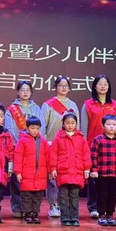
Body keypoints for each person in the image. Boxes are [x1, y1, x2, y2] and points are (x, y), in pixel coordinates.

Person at [81, 75, 116, 220]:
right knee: (94, 178)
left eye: (105, 84)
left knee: (108, 181)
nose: (103, 86)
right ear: (94, 86)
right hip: (93, 146)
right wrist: (84, 146)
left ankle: (106, 209)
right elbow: (84, 127)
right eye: (100, 84)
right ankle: (93, 207)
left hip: (111, 148)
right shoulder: (88, 104)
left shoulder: (115, 105)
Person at [4, 80, 44, 218]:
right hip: (18, 147)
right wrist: (20, 143)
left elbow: (41, 127)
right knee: (17, 178)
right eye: (22, 90)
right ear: (17, 92)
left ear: (31, 92)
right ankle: (17, 207)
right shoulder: (11, 109)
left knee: (32, 178)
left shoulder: (36, 108)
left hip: (34, 148)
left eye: (28, 90)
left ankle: (31, 209)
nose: (25, 92)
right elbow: (10, 129)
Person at [41, 76, 79, 219]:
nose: (63, 88)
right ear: (55, 87)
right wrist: (45, 142)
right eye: (60, 85)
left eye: (66, 85)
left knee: (66, 176)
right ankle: (53, 204)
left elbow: (77, 127)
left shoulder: (73, 105)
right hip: (52, 144)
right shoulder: (48, 105)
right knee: (52, 176)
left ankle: (66, 205)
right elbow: (43, 126)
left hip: (69, 145)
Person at [49, 112, 90, 227]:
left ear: (76, 124)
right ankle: (65, 218)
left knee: (74, 197)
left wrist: (87, 168)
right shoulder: (58, 138)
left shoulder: (81, 138)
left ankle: (74, 218)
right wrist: (53, 168)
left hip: (77, 172)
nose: (70, 125)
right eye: (67, 123)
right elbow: (53, 154)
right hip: (63, 172)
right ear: (63, 124)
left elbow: (86, 154)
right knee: (63, 197)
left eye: (72, 123)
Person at [90, 115, 116, 227]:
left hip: (115, 173)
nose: (111, 127)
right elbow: (93, 156)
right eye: (108, 124)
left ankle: (110, 214)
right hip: (102, 173)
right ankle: (101, 215)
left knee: (113, 194)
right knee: (102, 194)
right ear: (103, 126)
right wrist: (94, 170)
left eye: (114, 125)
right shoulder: (98, 140)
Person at [13, 117, 50, 224]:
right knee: (27, 196)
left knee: (38, 196)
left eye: (37, 128)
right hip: (26, 174)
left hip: (40, 174)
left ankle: (35, 213)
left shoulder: (43, 141)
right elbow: (18, 157)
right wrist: (18, 172)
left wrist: (50, 170)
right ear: (27, 128)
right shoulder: (22, 141)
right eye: (32, 128)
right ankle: (27, 213)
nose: (35, 130)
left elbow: (48, 157)